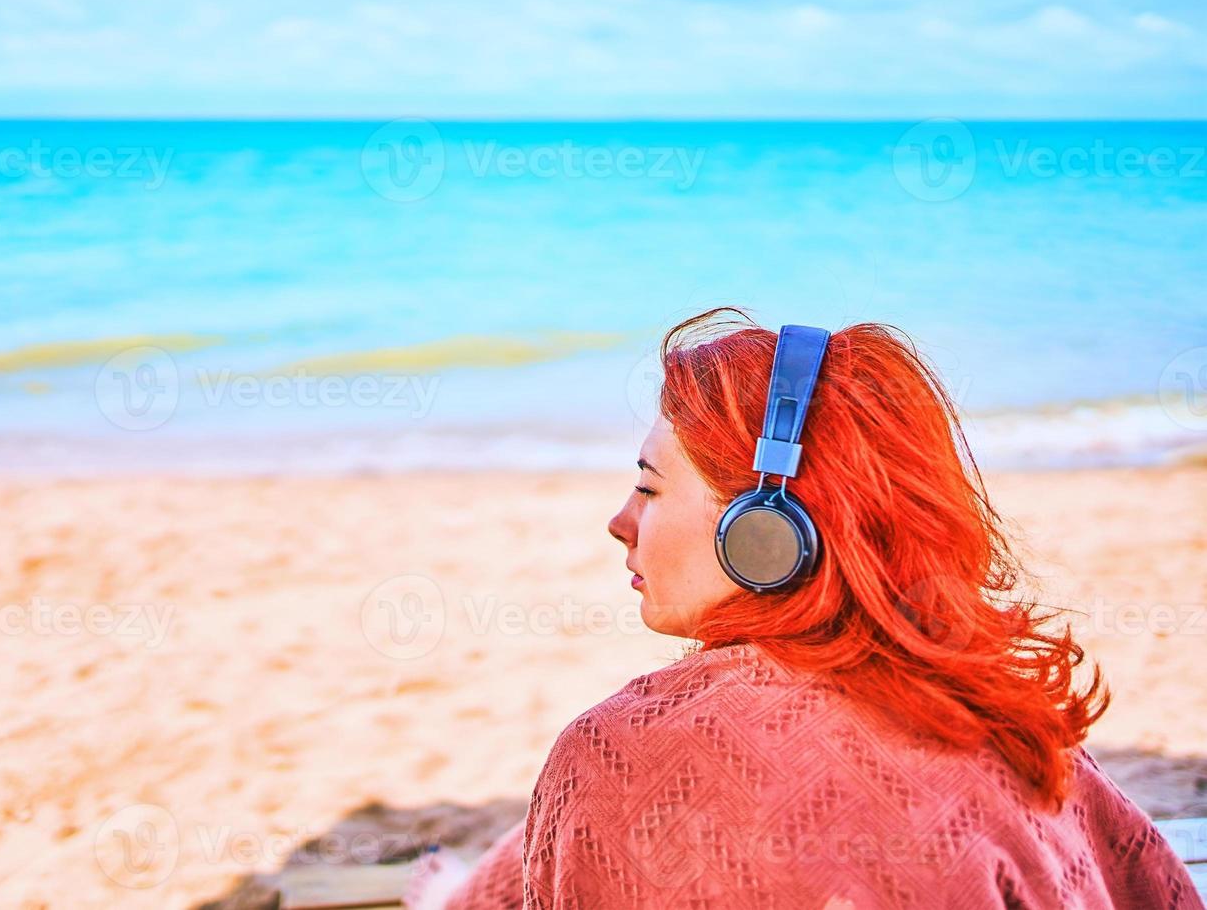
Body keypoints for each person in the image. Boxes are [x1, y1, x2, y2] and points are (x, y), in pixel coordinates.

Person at [401, 308, 1202, 910]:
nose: (619, 520)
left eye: (648, 487)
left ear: (765, 531)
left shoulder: (619, 751)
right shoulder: (1009, 720)